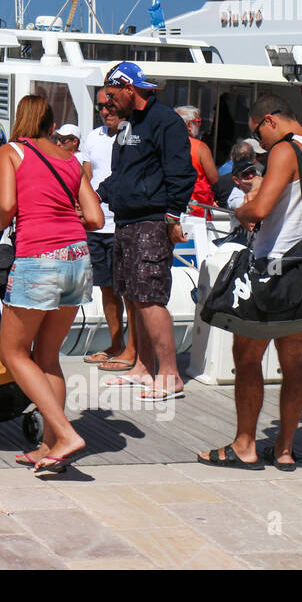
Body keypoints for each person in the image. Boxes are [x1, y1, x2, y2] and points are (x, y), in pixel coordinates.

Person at [196, 94, 302, 471]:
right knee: (293, 360)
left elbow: (258, 210)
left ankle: (245, 444)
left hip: (273, 269)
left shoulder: (286, 150)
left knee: (247, 356)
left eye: (260, 133)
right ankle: (286, 448)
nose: (262, 143)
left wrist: (241, 210)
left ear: (270, 120)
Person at [0, 95, 104, 473]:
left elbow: (7, 206)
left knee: (13, 353)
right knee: (48, 356)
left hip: (38, 259)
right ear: (52, 126)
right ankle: (51, 445)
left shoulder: (10, 152)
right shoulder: (70, 160)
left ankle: (66, 433)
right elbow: (96, 217)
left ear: (19, 121)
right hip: (77, 258)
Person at [97, 62, 196, 402]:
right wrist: (95, 196)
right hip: (124, 221)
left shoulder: (165, 121)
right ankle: (142, 366)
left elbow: (182, 172)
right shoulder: (129, 124)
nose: (108, 101)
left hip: (151, 221)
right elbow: (121, 175)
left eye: (112, 93)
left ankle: (170, 375)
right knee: (134, 296)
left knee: (151, 297)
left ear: (130, 89)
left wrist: (171, 217)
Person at [79, 88, 137, 372]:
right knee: (107, 289)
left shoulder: (133, 135)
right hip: (97, 224)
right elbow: (87, 177)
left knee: (128, 290)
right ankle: (116, 343)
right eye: (101, 107)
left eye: (110, 106)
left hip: (123, 223)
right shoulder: (92, 136)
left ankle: (132, 349)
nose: (105, 111)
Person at [177, 105, 218, 218]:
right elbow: (214, 179)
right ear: (189, 125)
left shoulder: (163, 143)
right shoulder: (200, 147)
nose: (200, 125)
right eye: (198, 121)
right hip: (195, 209)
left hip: (170, 206)